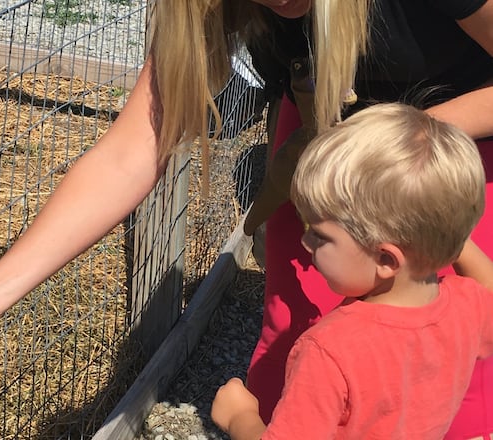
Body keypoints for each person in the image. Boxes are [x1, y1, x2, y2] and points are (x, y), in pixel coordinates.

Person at [0, 1, 493, 437]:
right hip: (324, 124)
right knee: (297, 343)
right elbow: (133, 149)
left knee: (450, 360)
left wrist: (387, 144)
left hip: (450, 144)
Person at [210, 102, 493, 439]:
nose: (305, 242)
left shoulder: (329, 351)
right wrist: (446, 234)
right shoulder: (465, 308)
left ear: (387, 261)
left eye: (320, 236)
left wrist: (240, 417)